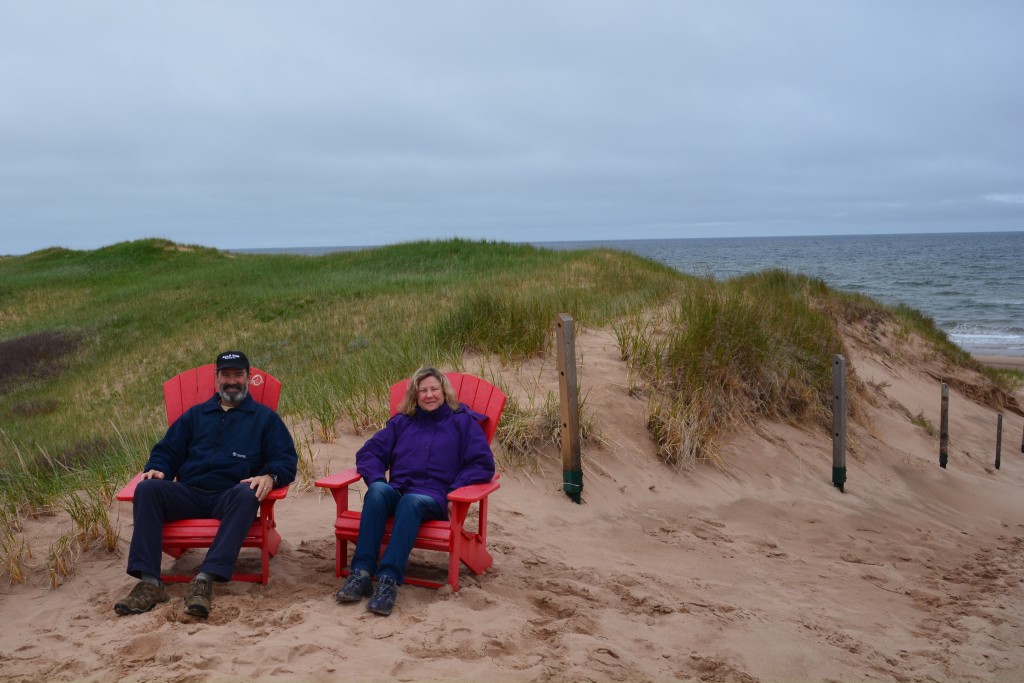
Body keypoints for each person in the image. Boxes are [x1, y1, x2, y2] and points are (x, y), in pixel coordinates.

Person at [114, 351, 298, 618]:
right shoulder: (195, 416)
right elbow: (167, 450)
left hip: (229, 497)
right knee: (147, 488)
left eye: (238, 375)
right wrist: (158, 469)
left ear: (248, 378)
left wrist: (270, 476)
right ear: (216, 379)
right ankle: (150, 583)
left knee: (248, 493)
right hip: (189, 493)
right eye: (226, 375)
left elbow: (286, 459)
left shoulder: (265, 420)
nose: (232, 381)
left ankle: (204, 580)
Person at [334, 366, 496, 616]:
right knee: (377, 490)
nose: (429, 395)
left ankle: (388, 580)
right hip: (398, 490)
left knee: (410, 502)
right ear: (415, 395)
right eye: (423, 390)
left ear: (444, 391)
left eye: (434, 389)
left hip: (433, 497)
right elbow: (369, 453)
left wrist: (456, 488)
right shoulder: (402, 423)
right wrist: (378, 478)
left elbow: (482, 464)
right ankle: (362, 574)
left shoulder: (461, 422)